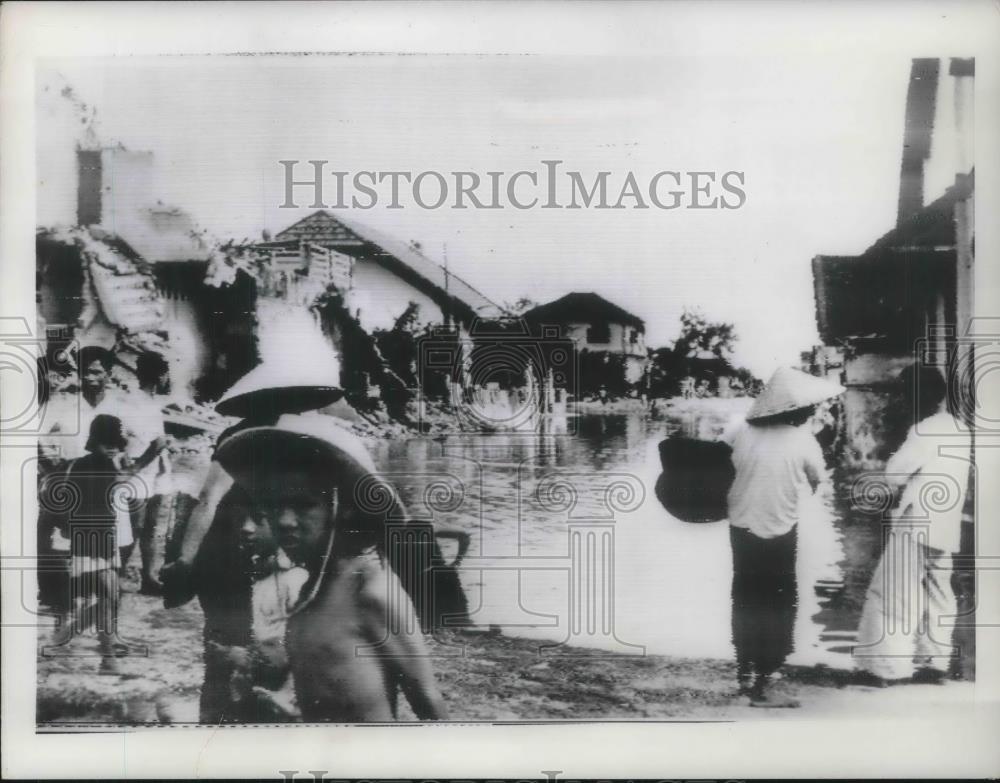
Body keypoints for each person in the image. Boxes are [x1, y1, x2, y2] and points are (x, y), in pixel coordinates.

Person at [215, 412, 449, 722]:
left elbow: (427, 698)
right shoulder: (308, 591)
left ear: (343, 510)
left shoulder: (372, 592)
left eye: (303, 506)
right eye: (274, 505)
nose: (284, 521)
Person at [725, 366, 843, 706]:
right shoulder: (804, 441)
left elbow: (716, 460)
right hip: (781, 531)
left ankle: (744, 669)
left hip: (741, 528)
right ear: (798, 409)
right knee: (777, 600)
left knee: (745, 595)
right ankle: (764, 676)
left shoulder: (739, 430)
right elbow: (818, 482)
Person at [853, 366, 972, 685]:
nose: (902, 402)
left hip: (916, 520)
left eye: (905, 395)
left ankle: (883, 669)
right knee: (938, 592)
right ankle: (934, 664)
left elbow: (895, 473)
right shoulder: (959, 428)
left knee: (892, 591)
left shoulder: (923, 431)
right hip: (946, 523)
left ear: (916, 397)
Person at [45, 415, 136, 674]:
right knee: (109, 596)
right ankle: (107, 660)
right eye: (106, 443)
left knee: (109, 598)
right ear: (95, 442)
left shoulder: (88, 464)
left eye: (115, 443)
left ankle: (61, 638)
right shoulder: (102, 466)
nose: (111, 447)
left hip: (97, 538)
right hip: (92, 539)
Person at [128, 351, 173, 594]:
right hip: (141, 470)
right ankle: (118, 576)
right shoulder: (138, 401)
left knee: (149, 528)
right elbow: (157, 443)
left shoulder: (149, 402)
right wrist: (135, 467)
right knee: (136, 527)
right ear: (160, 376)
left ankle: (148, 578)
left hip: (154, 472)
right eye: (166, 374)